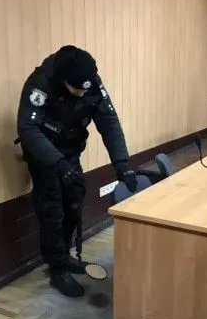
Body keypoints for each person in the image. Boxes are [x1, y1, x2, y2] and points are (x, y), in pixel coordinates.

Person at [15, 45, 137, 297]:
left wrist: (121, 164)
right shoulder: (41, 83)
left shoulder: (90, 82)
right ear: (63, 81)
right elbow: (27, 128)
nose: (82, 93)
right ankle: (57, 268)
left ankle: (65, 255)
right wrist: (57, 163)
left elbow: (109, 122)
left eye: (85, 89)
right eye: (76, 89)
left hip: (70, 152)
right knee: (53, 210)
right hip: (45, 155)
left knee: (73, 200)